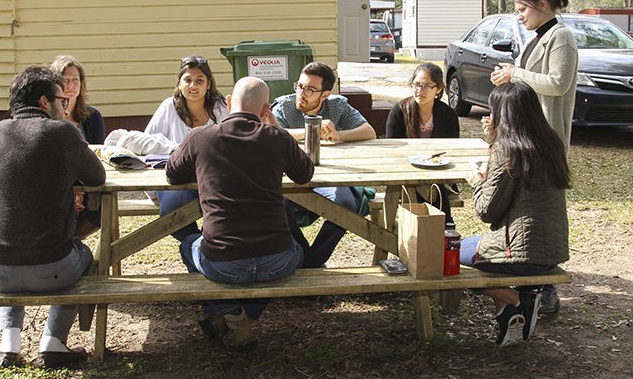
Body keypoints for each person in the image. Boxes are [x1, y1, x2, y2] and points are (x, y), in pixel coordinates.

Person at [0, 66, 106, 368]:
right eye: (63, 100)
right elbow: (96, 177)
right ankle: (54, 343)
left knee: (11, 247)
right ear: (45, 102)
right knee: (85, 256)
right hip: (54, 268)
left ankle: (9, 344)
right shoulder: (64, 133)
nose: (65, 106)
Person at [168, 77, 314, 351]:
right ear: (265, 109)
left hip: (222, 263)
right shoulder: (278, 138)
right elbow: (305, 173)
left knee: (189, 246)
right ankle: (239, 318)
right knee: (298, 251)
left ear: (227, 103)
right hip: (278, 261)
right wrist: (276, 126)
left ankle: (232, 315)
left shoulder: (201, 137)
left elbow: (172, 174)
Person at [490, 0, 577, 314]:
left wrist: (517, 73)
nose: (520, 15)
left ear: (543, 4)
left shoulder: (562, 37)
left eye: (523, 8)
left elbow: (558, 83)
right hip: (526, 135)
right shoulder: (540, 36)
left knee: (542, 210)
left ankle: (546, 286)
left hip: (545, 140)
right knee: (522, 207)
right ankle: (530, 277)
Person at [463, 82, 570, 346]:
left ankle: (516, 299)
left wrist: (477, 181)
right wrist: (494, 142)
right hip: (552, 251)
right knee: (461, 249)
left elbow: (487, 211)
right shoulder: (551, 143)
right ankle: (511, 318)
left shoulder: (508, 150)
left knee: (444, 256)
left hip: (519, 254)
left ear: (504, 114)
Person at [271, 61, 377, 268]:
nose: (302, 93)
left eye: (310, 89)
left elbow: (369, 131)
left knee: (346, 205)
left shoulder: (337, 105)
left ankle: (312, 261)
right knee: (277, 207)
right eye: (300, 86)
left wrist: (340, 135)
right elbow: (273, 133)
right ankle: (305, 257)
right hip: (291, 175)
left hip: (330, 175)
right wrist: (312, 129)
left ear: (325, 94)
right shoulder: (284, 105)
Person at [145, 56, 229, 241]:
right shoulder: (169, 107)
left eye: (199, 80)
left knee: (229, 213)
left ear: (208, 84)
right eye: (188, 80)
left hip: (214, 178)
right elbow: (147, 145)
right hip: (178, 181)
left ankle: (214, 250)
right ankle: (199, 248)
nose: (193, 85)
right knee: (173, 217)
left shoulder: (221, 107)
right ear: (179, 83)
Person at [385, 62, 459, 223]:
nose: (420, 90)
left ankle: (439, 230)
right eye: (417, 84)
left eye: (427, 86)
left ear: (438, 89)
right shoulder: (399, 111)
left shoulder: (448, 114)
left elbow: (453, 149)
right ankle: (440, 227)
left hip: (438, 173)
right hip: (406, 172)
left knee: (435, 185)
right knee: (421, 187)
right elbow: (392, 148)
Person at [51, 54, 106, 238]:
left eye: (75, 80)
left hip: (89, 181)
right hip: (56, 184)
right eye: (65, 80)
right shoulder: (47, 117)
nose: (71, 85)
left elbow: (98, 155)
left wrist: (81, 189)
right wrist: (72, 189)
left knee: (102, 209)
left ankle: (71, 242)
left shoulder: (93, 117)